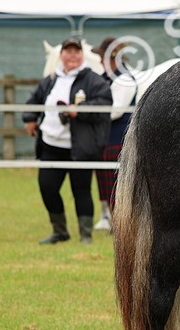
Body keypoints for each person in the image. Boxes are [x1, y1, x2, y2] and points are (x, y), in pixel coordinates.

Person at [22, 37, 113, 245]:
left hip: (79, 147)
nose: (72, 55)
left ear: (82, 55)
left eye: (76, 52)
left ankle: (85, 235)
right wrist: (29, 119)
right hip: (51, 144)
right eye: (68, 51)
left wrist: (78, 111)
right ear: (61, 55)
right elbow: (33, 100)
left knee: (81, 190)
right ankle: (59, 231)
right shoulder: (51, 79)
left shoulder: (93, 80)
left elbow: (104, 102)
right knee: (47, 187)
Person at [91, 36, 130, 232]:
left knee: (117, 184)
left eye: (102, 57)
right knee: (106, 182)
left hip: (118, 139)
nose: (99, 61)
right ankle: (112, 221)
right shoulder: (107, 78)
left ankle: (121, 223)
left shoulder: (124, 79)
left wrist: (90, 112)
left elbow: (116, 110)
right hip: (105, 138)